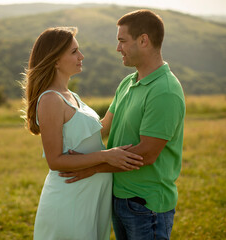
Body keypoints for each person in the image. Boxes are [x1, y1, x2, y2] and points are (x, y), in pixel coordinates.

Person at [60, 10, 186, 240]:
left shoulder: (165, 91)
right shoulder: (129, 82)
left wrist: (93, 167)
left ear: (143, 40)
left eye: (122, 41)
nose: (118, 48)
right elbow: (104, 127)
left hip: (147, 206)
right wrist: (63, 124)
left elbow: (146, 155)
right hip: (120, 199)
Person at [22, 27, 144, 240]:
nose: (81, 56)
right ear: (55, 60)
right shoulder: (51, 99)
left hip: (91, 196)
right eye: (73, 52)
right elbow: (55, 161)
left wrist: (129, 93)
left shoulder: (71, 95)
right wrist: (107, 156)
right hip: (70, 197)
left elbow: (97, 131)